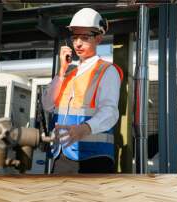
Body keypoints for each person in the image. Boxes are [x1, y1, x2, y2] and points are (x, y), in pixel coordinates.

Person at [42, 8, 123, 174]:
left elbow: (110, 112)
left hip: (94, 158)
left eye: (84, 38)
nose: (77, 43)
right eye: (74, 37)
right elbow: (47, 105)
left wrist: (84, 128)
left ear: (99, 38)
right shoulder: (68, 74)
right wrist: (62, 71)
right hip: (62, 155)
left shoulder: (107, 71)